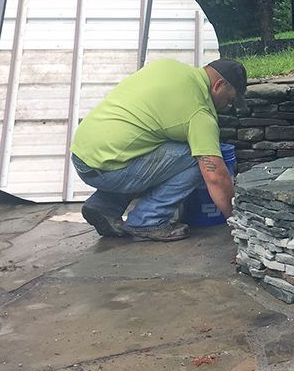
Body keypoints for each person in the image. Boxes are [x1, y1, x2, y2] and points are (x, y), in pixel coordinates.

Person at [70, 58, 247, 242]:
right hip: (109, 168)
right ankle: (148, 220)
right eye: (230, 100)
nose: (228, 107)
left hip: (83, 155)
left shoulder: (168, 66)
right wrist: (239, 223)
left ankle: (104, 206)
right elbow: (216, 177)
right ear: (219, 85)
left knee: (149, 149)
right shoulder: (200, 114)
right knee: (196, 158)